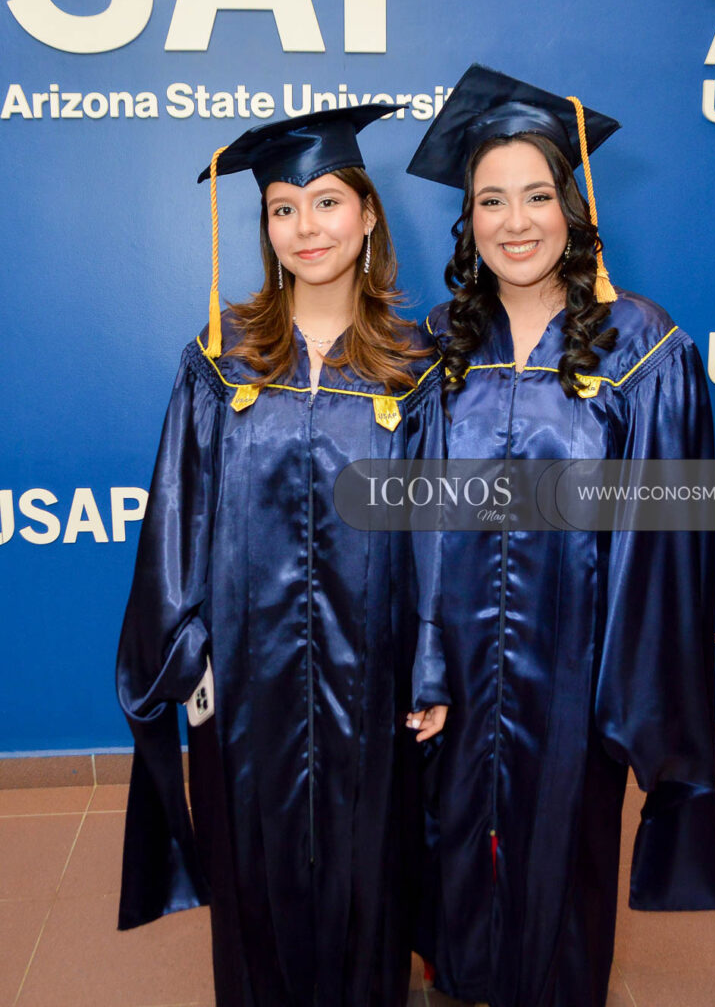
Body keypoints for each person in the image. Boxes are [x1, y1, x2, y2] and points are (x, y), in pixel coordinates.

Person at [406, 65, 715, 1007]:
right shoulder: (436, 345)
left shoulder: (642, 347)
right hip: (453, 669)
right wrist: (422, 664)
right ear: (467, 220)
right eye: (491, 200)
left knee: (562, 879)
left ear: (572, 208)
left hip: (577, 676)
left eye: (537, 195)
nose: (515, 222)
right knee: (449, 859)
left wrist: (617, 694)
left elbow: (664, 546)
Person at [116, 105, 449, 1007]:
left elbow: (436, 533)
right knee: (253, 877)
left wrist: (429, 664)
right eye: (283, 208)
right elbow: (175, 513)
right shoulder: (219, 361)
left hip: (372, 674)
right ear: (264, 226)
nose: (307, 227)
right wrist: (187, 653)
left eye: (328, 201)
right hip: (245, 679)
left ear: (368, 214)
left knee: (368, 872)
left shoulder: (415, 368)